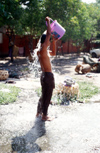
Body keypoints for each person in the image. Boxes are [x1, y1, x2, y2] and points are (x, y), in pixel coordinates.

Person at [36, 16, 58, 121]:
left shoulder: (41, 51)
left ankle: (38, 112)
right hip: (48, 76)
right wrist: (48, 22)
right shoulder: (43, 48)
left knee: (44, 94)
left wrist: (54, 41)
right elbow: (48, 34)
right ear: (45, 42)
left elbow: (53, 53)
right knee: (47, 96)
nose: (49, 42)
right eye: (48, 41)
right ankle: (44, 116)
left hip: (44, 76)